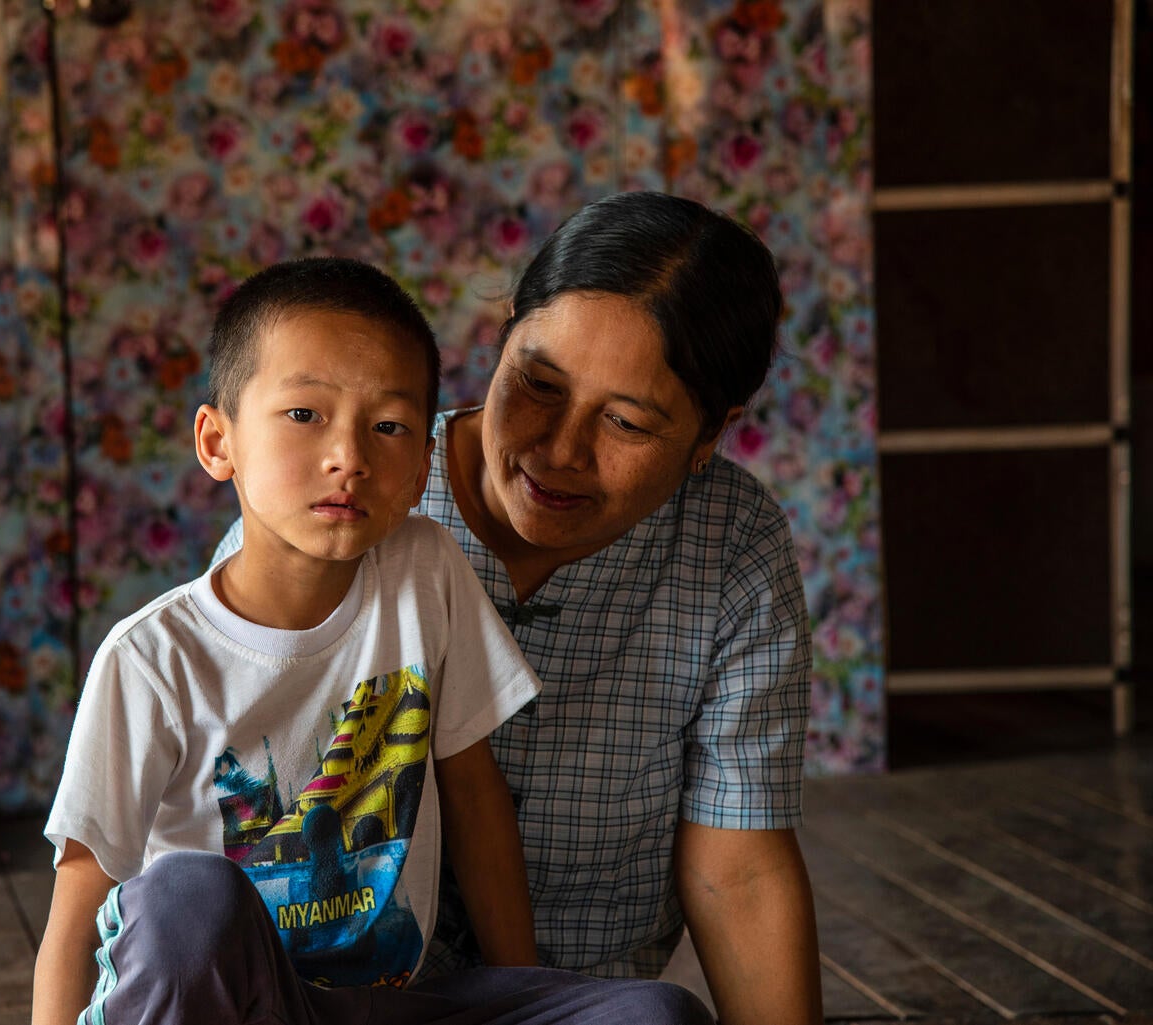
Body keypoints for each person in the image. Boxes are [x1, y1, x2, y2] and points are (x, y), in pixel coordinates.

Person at [33, 256, 713, 1025]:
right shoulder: (152, 658)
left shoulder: (424, 569)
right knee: (187, 893)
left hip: (381, 1007)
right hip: (235, 1006)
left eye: (388, 426)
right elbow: (82, 896)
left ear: (423, 462)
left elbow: (475, 796)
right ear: (217, 442)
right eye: (304, 416)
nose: (348, 457)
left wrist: (531, 993)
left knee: (659, 1015)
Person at [213, 191, 822, 1025]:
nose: (559, 450)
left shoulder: (732, 543)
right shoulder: (353, 501)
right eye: (537, 383)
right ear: (501, 336)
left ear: (710, 437)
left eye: (627, 422)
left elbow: (738, 866)